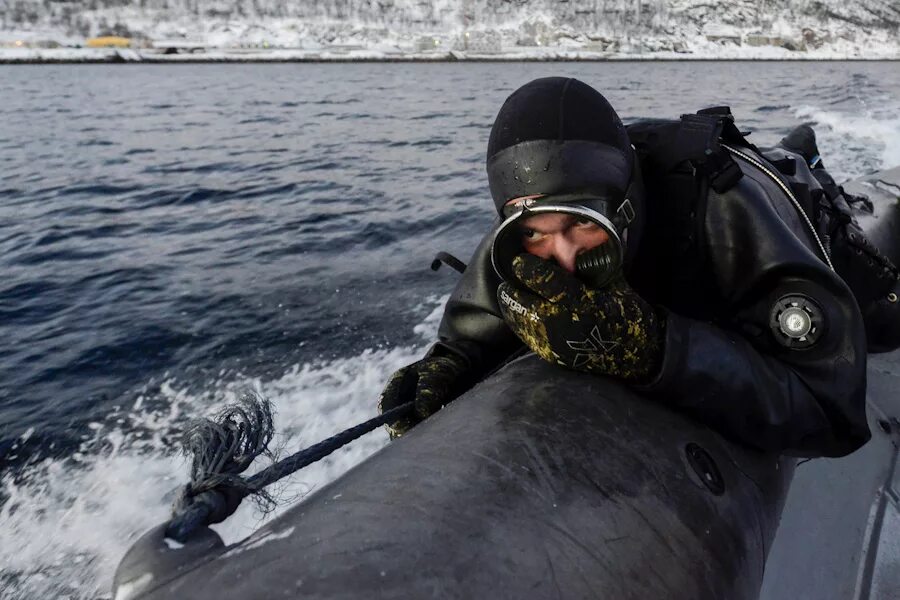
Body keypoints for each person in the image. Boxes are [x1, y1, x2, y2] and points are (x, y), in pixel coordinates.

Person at [379, 77, 871, 458]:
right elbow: (469, 334)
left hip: (796, 211)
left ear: (625, 208)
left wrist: (654, 349)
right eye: (533, 231)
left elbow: (833, 410)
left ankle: (803, 154)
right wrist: (447, 368)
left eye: (584, 224)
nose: (564, 257)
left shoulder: (724, 212)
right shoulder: (530, 232)